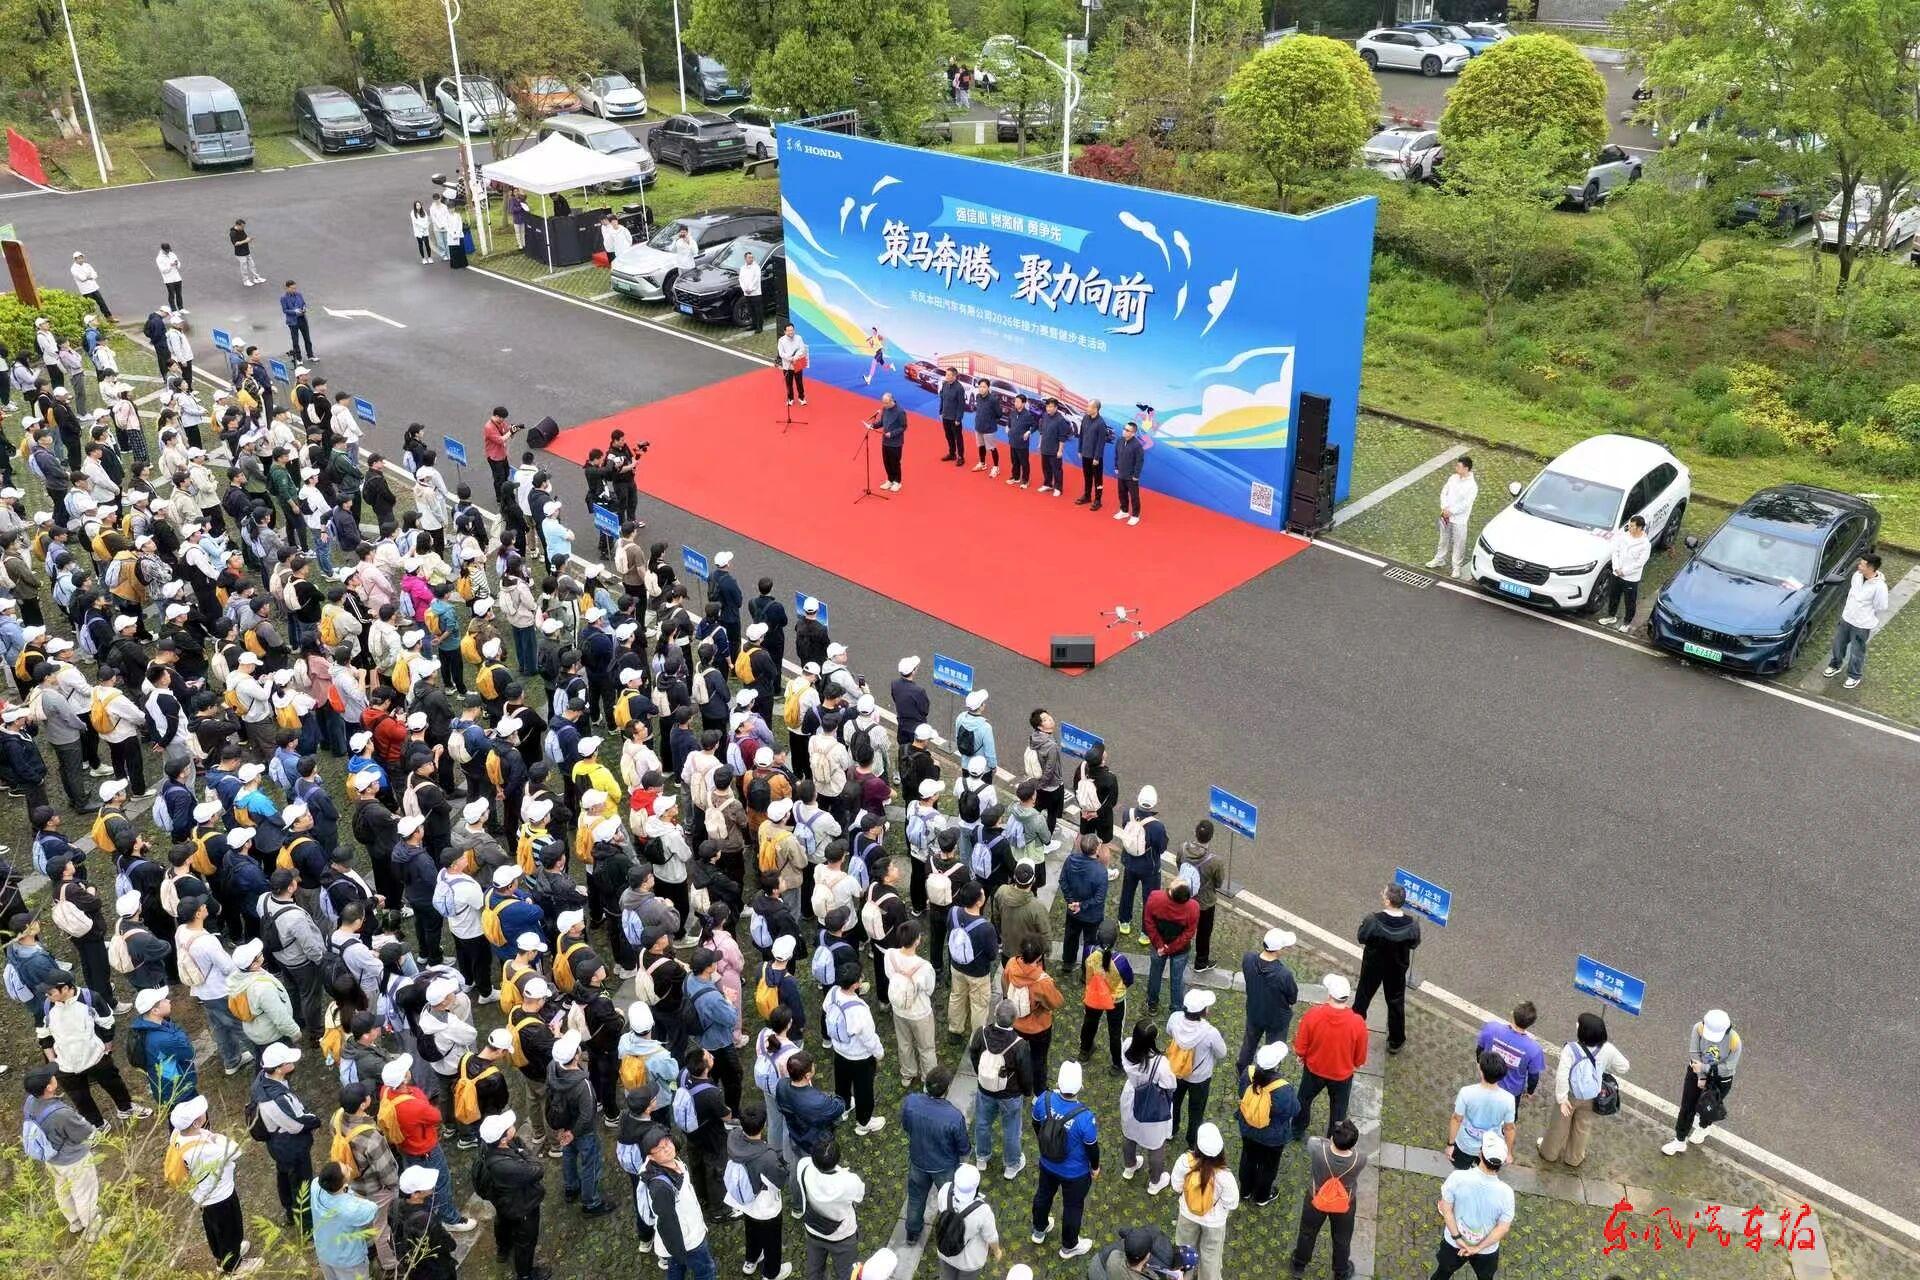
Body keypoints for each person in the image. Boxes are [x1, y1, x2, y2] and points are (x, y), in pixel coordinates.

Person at [36, 970, 146, 1127]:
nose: (47, 996)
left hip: (95, 1055)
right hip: (65, 1064)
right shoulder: (45, 1007)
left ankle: (126, 1108)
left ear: (65, 988)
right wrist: (54, 1063)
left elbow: (107, 1023)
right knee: (80, 1097)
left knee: (114, 1083)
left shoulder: (90, 999)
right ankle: (97, 1125)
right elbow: (44, 1037)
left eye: (50, 992)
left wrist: (107, 1048)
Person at [169, 1094, 259, 1275]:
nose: (205, 1112)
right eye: (201, 1113)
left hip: (202, 1196)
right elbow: (236, 1150)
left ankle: (221, 1257)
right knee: (230, 1229)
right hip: (220, 1196)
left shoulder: (177, 1135)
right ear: (196, 1123)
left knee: (214, 1229)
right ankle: (234, 1266)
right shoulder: (203, 1149)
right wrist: (217, 1137)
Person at [1028, 1059, 1098, 1259]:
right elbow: (1092, 1148)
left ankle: (1039, 1230)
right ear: (1080, 1086)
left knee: (1043, 1195)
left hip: (1047, 1164)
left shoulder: (1043, 1100)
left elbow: (1036, 1124)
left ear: (1058, 1082)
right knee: (1073, 1207)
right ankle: (1069, 1246)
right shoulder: (1085, 1117)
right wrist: (1095, 1167)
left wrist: (1046, 1147)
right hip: (1075, 1173)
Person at [22, 1064, 101, 1236]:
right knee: (84, 1193)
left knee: (63, 1190)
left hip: (52, 1159)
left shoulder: (30, 1102)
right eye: (51, 1076)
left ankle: (75, 1222)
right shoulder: (60, 1113)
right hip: (73, 1160)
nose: (54, 1076)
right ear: (49, 1087)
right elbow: (83, 1132)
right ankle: (93, 1230)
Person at [252, 1041, 321, 1231]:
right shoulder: (276, 1100)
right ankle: (306, 1225)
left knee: (284, 1176)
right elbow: (296, 1125)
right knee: (301, 1184)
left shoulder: (262, 1079)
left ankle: (290, 1212)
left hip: (277, 1143)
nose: (293, 1063)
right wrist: (315, 1120)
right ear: (279, 1069)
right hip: (290, 1146)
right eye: (289, 1062)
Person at [1290, 974, 1368, 1139]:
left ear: (1330, 995)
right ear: (1347, 997)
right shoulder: (1358, 1023)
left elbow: (1301, 1044)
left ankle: (1297, 1129)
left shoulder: (1313, 1015)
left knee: (1303, 1100)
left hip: (1314, 1070)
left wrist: (1301, 1055)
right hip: (1342, 1076)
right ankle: (1334, 1139)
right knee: (1338, 1110)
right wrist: (1355, 1063)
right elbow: (1360, 1057)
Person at [476, 1109, 550, 1280]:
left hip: (502, 1200)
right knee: (526, 1241)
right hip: (521, 1207)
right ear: (502, 1139)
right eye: (508, 1127)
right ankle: (525, 1274)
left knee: (503, 1222)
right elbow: (537, 1169)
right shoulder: (506, 1166)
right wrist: (522, 1151)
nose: (512, 1126)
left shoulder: (488, 1146)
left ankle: (503, 1249)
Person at [900, 1064, 970, 1244]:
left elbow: (906, 1126)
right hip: (944, 1167)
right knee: (949, 1202)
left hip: (917, 1161)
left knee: (916, 1198)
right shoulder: (954, 1116)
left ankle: (912, 1233)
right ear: (946, 1090)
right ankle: (950, 1232)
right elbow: (963, 1147)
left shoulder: (911, 1102)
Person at [1432, 1133, 1514, 1279]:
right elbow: (1503, 1228)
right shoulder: (1507, 1193)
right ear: (1501, 1164)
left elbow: (1447, 1210)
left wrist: (1458, 1239)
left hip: (1454, 1243)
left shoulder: (1457, 1178)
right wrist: (1477, 1248)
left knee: (1442, 1273)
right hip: (1486, 1250)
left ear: (1480, 1154)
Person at [1291, 1118, 1365, 1279]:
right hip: (1344, 1203)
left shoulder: (1318, 1151)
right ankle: (1341, 1271)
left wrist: (1329, 1140)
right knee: (1342, 1238)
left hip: (1316, 1199)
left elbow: (1313, 1140)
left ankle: (1299, 1265)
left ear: (1333, 1137)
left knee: (1307, 1233)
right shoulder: (1360, 1159)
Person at [725, 1099, 790, 1280]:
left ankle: (751, 1260)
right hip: (764, 1207)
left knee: (751, 1230)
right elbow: (780, 1181)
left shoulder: (733, 1137)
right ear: (764, 1124)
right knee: (772, 1240)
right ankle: (771, 1273)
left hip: (744, 1201)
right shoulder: (767, 1157)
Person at [1353, 882, 1421, 1054]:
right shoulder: (1412, 925)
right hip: (1397, 969)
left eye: (1384, 893)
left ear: (1388, 901)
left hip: (1373, 966)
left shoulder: (1372, 920)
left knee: (1363, 997)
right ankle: (1396, 1041)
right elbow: (1414, 943)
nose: (1381, 895)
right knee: (1396, 1002)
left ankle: (1353, 1031)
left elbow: (1362, 937)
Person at [967, 998, 1032, 1179]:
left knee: (982, 1123)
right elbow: (1025, 1073)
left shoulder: (981, 1033)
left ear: (995, 1015)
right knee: (1011, 1129)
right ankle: (1011, 1166)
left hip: (985, 1089)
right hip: (1010, 1094)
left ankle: (981, 1157)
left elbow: (973, 1053)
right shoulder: (1019, 1044)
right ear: (1015, 1019)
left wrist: (981, 1074)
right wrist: (1027, 1091)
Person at [1665, 1007, 1741, 1156]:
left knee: (1709, 1106)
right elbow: (1694, 1052)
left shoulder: (1734, 1041)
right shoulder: (1698, 1028)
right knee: (1687, 1107)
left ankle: (1704, 1127)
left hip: (1720, 1078)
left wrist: (1705, 1069)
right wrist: (1701, 1075)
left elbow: (1729, 1067)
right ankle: (1679, 1140)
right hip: (1696, 1070)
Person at [1171, 1122, 1237, 1280]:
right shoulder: (1225, 1176)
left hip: (1187, 1214)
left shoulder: (1184, 1162)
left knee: (1184, 1251)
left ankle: (1183, 1277)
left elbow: (1176, 1186)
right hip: (1214, 1223)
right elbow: (1232, 1203)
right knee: (1211, 1257)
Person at [1117, 1019, 1176, 1193]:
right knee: (1156, 1145)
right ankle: (1155, 1182)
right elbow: (1171, 1085)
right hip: (1152, 1105)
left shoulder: (1127, 1046)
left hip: (1131, 1097)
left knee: (1129, 1135)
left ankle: (1130, 1166)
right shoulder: (1160, 1063)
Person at [795, 1134, 865, 1280]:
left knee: (814, 1271)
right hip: (842, 1235)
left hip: (813, 1230)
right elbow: (859, 1196)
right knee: (847, 1273)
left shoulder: (803, 1167)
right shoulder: (850, 1181)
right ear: (838, 1158)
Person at [1239, 927, 1299, 1073]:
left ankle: (1242, 1070)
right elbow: (1292, 998)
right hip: (1276, 1019)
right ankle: (1269, 1073)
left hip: (1254, 1011)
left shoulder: (1248, 959)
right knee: (1274, 1049)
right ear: (1278, 950)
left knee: (1249, 1044)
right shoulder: (1284, 974)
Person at [1824, 553, 1889, 688]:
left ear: (1870, 568)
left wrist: (1865, 612)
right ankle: (1835, 665)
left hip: (1862, 624)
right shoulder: (1857, 576)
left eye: (1862, 564)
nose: (1858, 566)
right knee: (1838, 644)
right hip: (1846, 618)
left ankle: (1854, 676)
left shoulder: (1880, 587)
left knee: (1857, 651)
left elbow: (1881, 606)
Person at [929, 1162, 1001, 1280]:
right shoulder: (982, 1210)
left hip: (945, 1251)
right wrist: (997, 1251)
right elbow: (991, 1237)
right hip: (969, 1262)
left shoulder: (945, 1190)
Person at [1448, 1052, 1518, 1170]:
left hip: (1465, 1144)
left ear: (1481, 1071)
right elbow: (1509, 1128)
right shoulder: (1509, 1099)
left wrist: (1450, 1144)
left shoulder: (1466, 1092)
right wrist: (1508, 1153)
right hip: (1491, 1147)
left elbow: (1456, 1119)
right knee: (1484, 1171)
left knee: (1461, 1168)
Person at [312, 1160, 379, 1280]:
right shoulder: (350, 1209)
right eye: (346, 1169)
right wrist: (348, 1191)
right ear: (343, 1186)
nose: (349, 1167)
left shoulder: (315, 1186)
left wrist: (345, 1190)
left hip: (324, 1251)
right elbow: (372, 1208)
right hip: (348, 1261)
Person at [1475, 1002, 1546, 1113]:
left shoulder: (1491, 1028)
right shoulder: (1534, 1049)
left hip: (1488, 1079)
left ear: (1512, 1014)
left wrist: (1479, 1064)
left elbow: (1479, 1049)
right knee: (1509, 1114)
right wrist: (1530, 1091)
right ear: (1531, 1023)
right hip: (1512, 1091)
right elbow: (1533, 1076)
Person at [393, 1164, 459, 1280]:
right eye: (426, 1185)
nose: (432, 1185)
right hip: (435, 1270)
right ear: (415, 1194)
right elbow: (447, 1244)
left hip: (414, 1267)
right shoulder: (427, 1220)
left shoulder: (394, 1206)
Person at [1142, 880, 1198, 1015]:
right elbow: (1189, 933)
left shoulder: (1155, 897)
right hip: (1180, 949)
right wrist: (1169, 948)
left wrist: (1160, 945)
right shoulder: (1193, 907)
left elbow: (1148, 922)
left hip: (1158, 946)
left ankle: (1152, 1004)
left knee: (1155, 974)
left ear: (1171, 893)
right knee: (1177, 979)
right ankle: (1176, 1009)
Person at [1425, 455, 1477, 579]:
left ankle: (1456, 567)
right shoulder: (1453, 478)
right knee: (1443, 538)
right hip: (1446, 515)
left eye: (1459, 466)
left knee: (1459, 543)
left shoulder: (1472, 486)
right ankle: (1439, 559)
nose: (1456, 468)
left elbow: (1465, 504)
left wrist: (1451, 511)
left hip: (1459, 519)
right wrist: (1444, 507)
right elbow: (1444, 492)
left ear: (1466, 468)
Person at [1598, 514, 1651, 631]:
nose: (1629, 528)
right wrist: (1616, 568)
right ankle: (1611, 616)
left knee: (1629, 601)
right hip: (1617, 573)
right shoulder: (1623, 536)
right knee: (1613, 596)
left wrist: (1624, 571)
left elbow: (1640, 563)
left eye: (1632, 526)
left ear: (1639, 528)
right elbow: (1615, 552)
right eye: (1629, 525)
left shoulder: (1645, 544)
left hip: (1631, 578)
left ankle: (1627, 622)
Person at [870, 392, 907, 491]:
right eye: (883, 402)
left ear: (891, 401)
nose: (884, 405)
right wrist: (873, 426)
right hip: (885, 441)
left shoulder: (900, 412)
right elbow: (882, 422)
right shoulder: (885, 409)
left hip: (895, 443)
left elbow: (903, 427)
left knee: (895, 462)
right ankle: (890, 479)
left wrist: (892, 433)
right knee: (886, 462)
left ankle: (897, 482)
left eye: (886, 403)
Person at [1113, 419, 1146, 525]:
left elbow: (1139, 461)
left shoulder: (1137, 445)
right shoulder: (1119, 441)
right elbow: (1117, 455)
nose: (1124, 431)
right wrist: (1116, 466)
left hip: (1131, 476)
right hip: (1121, 473)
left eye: (1127, 430)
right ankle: (1124, 511)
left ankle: (1135, 515)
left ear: (1133, 433)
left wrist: (1136, 475)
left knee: (1134, 496)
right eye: (1124, 429)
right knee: (1122, 493)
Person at [282, 281, 315, 360]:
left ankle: (310, 355)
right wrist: (294, 311)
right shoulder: (283, 298)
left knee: (307, 339)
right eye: (292, 288)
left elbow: (303, 303)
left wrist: (304, 308)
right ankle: (298, 358)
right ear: (287, 288)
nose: (294, 290)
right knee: (295, 341)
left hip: (302, 319)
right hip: (293, 322)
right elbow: (285, 310)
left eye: (295, 288)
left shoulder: (299, 294)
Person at [777, 325, 809, 405]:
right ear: (785, 332)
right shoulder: (781, 340)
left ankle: (801, 398)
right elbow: (781, 353)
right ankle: (790, 399)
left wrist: (795, 357)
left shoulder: (799, 338)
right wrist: (790, 358)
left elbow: (802, 349)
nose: (791, 332)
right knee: (789, 383)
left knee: (799, 382)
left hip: (798, 363)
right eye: (788, 331)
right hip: (787, 365)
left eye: (792, 330)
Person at [231, 219, 267, 287]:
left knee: (252, 265)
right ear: (237, 225)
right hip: (240, 253)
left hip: (246, 251)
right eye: (242, 226)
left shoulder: (241, 230)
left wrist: (249, 239)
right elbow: (235, 243)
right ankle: (246, 281)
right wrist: (245, 241)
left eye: (244, 226)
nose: (243, 228)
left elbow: (245, 237)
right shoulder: (233, 233)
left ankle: (256, 278)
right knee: (244, 267)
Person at [740, 251, 766, 332]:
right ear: (745, 258)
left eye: (752, 257)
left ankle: (759, 327)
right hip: (747, 293)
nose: (751, 259)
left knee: (758, 311)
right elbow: (741, 279)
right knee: (751, 310)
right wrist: (745, 289)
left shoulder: (756, 267)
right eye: (749, 257)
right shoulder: (742, 268)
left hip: (755, 293)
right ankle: (754, 325)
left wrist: (750, 289)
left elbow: (756, 279)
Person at [157, 242, 186, 310]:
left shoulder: (172, 254)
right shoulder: (159, 258)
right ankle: (174, 310)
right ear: (163, 250)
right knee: (172, 294)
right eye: (166, 250)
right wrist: (170, 265)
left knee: (179, 294)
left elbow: (178, 264)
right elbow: (163, 270)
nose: (168, 251)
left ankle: (181, 308)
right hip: (168, 280)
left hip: (177, 278)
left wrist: (177, 264)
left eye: (168, 250)